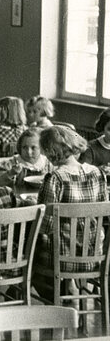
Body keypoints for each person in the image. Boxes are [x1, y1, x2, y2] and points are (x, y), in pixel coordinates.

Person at [33, 126, 108, 300]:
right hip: (93, 252)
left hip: (63, 256)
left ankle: (57, 300)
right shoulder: (97, 173)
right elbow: (103, 212)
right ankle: (70, 285)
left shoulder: (55, 178)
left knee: (27, 252)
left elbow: (46, 225)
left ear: (50, 152)